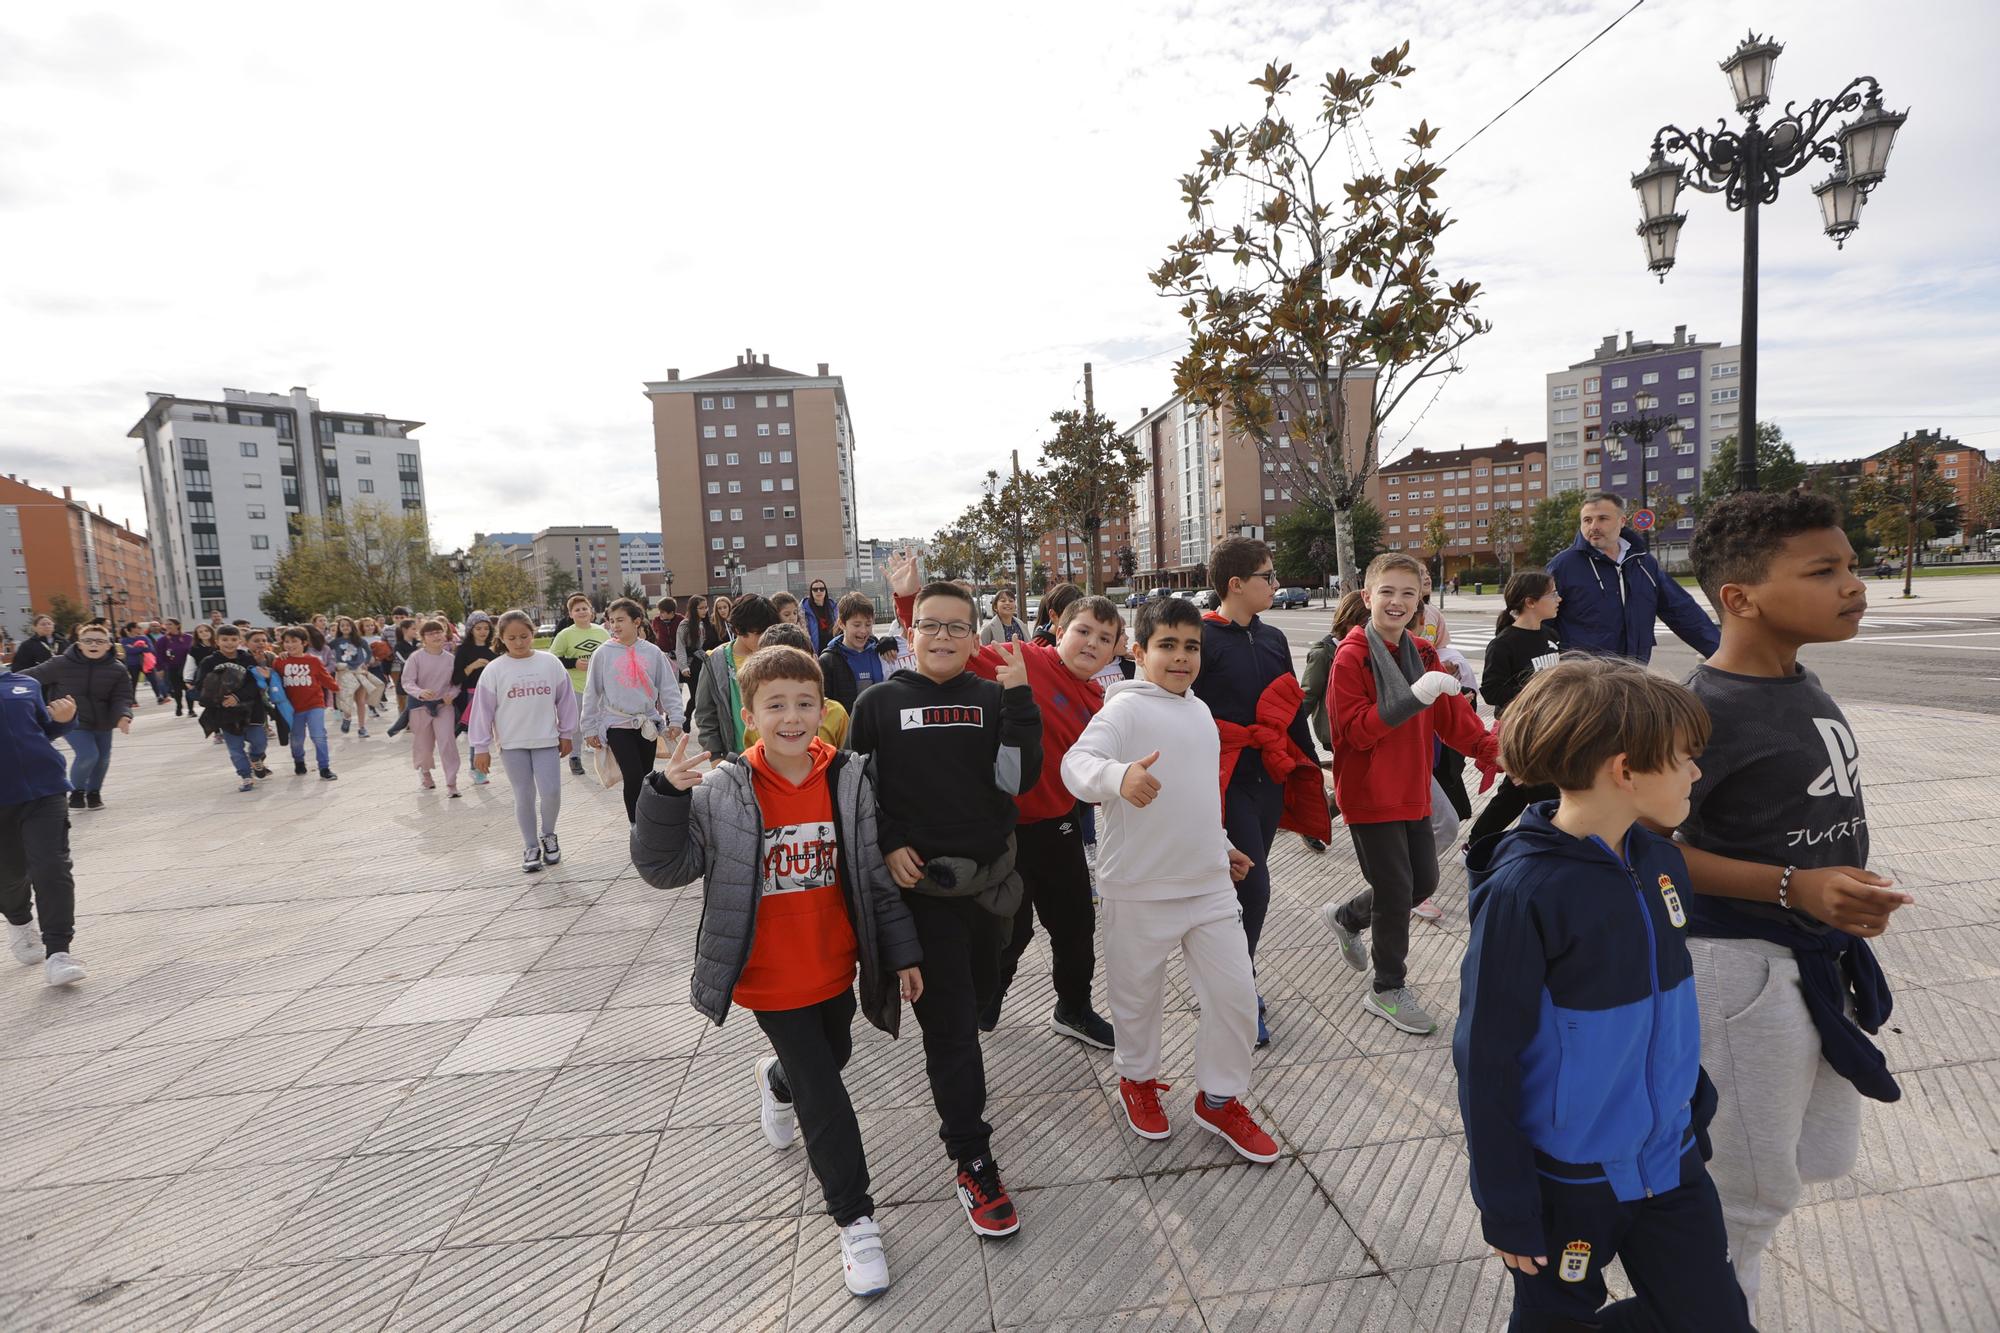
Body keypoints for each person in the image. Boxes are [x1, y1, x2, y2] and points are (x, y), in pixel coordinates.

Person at [1455, 656, 1749, 1330]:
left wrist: (1692, 1103)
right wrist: (1505, 1203)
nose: (1697, 773)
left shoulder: (1662, 862)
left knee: (1715, 1318)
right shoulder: (1525, 890)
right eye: (1684, 758)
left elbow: (1665, 1004)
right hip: (1571, 1184)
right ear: (1626, 769)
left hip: (1670, 1161)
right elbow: (1485, 1058)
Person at [1675, 490, 1912, 1303]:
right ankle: (1705, 1314)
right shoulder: (1703, 710)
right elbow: (1653, 849)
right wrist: (1794, 885)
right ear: (1739, 597)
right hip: (1741, 972)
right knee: (1741, 1188)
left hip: (1813, 960)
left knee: (1798, 1161)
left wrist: (1843, 888)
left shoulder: (1801, 682)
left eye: (1850, 565)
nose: (1855, 583)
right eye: (1824, 570)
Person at [632, 648, 923, 1298]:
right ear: (749, 714)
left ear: (823, 710)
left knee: (834, 1050)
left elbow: (875, 876)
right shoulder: (724, 790)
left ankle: (776, 1080)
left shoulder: (848, 777)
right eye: (775, 704)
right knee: (825, 1093)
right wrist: (664, 795)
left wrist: (902, 950)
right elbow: (664, 867)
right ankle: (855, 1217)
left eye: (803, 703)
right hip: (768, 975)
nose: (791, 717)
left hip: (834, 964)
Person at [849, 579, 1042, 1239]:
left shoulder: (993, 698)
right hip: (922, 896)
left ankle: (789, 1079)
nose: (943, 636)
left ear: (974, 635)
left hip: (991, 890)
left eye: (958, 626)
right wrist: (886, 839)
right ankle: (972, 1155)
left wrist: (1019, 701)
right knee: (953, 1027)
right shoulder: (877, 702)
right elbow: (853, 793)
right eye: (931, 624)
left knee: (982, 999)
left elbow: (1018, 781)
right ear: (909, 630)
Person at [1062, 596, 1280, 1162]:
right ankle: (1136, 1080)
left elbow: (1198, 798)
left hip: (1207, 885)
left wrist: (1224, 845)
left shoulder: (1201, 712)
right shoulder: (1124, 710)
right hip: (1137, 888)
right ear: (1137, 653)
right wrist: (1118, 775)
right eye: (1167, 646)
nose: (1181, 658)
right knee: (1137, 1002)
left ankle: (1220, 1097)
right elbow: (1076, 766)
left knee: (1235, 996)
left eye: (1191, 647)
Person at [888, 560, 1118, 1047]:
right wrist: (910, 602)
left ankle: (1073, 1008)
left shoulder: (1103, 703)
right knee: (1008, 932)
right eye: (1083, 630)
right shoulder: (1022, 658)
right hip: (1003, 830)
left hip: (1058, 826)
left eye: (1104, 637)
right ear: (1058, 628)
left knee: (1077, 926)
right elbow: (946, 649)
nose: (1092, 643)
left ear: (1116, 650)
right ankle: (985, 1000)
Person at [1319, 553, 1498, 1037]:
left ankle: (1346, 916)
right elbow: (1352, 733)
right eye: (1387, 592)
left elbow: (1453, 721)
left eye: (1407, 593)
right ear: (1366, 598)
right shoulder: (1352, 655)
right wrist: (1415, 695)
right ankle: (1387, 988)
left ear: (1421, 598)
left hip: (1414, 789)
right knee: (1397, 893)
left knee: (1422, 884)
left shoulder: (1424, 653)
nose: (1397, 602)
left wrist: (1493, 750)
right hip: (1370, 795)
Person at [1193, 537, 1330, 1047]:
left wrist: (1308, 766)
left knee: (1240, 889)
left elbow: (1289, 706)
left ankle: (1231, 975)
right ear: (1236, 584)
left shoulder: (1272, 638)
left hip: (1269, 776)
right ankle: (1237, 990)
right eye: (1267, 576)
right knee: (1253, 887)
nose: (1275, 584)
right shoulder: (1199, 639)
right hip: (1224, 781)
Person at [1549, 492, 1719, 663]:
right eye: (1587, 520)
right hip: (1584, 679)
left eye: (1602, 519)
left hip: (1634, 674)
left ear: (1622, 521)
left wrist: (1721, 653)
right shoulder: (1563, 566)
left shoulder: (1643, 564)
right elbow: (1538, 621)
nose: (1593, 526)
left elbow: (1682, 612)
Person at [469, 611, 578, 872]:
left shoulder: (550, 663)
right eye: (512, 638)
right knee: (524, 795)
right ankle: (530, 845)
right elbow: (482, 711)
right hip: (512, 743)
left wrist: (567, 733)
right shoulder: (494, 670)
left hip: (546, 740)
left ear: (533, 633)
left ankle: (548, 835)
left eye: (524, 636)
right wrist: (480, 747)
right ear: (502, 639)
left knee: (551, 791)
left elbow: (565, 700)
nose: (519, 642)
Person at [1463, 571, 1564, 849]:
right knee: (1545, 794)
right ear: (1530, 602)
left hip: (1549, 728)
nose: (1559, 599)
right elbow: (1492, 691)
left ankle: (1475, 844)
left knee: (1515, 794)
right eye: (1553, 594)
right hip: (1521, 733)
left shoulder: (1552, 636)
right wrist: (1532, 695)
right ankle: (1551, 847)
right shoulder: (1504, 643)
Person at [2, 665, 85, 985]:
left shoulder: (25, 684)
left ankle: (58, 952)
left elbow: (41, 729)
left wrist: (65, 720)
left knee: (52, 867)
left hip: (44, 789)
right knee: (8, 876)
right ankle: (19, 920)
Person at [583, 598, 685, 822]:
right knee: (633, 777)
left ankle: (649, 823)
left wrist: (676, 719)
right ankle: (635, 824)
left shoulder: (653, 652)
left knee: (646, 776)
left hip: (647, 723)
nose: (615, 625)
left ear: (636, 621)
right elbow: (592, 692)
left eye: (621, 620)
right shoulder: (603, 653)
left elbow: (668, 687)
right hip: (617, 723)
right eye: (611, 621)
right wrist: (589, 727)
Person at [23, 624, 133, 811]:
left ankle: (94, 793)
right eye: (88, 640)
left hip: (103, 720)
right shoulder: (60, 663)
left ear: (108, 645)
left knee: (103, 759)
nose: (94, 644)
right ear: (79, 644)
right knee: (89, 755)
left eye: (100, 641)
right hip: (71, 719)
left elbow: (121, 697)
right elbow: (28, 677)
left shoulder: (117, 669)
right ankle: (77, 791)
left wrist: (123, 715)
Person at [692, 595, 779, 762]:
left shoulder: (777, 655)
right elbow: (705, 714)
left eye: (767, 632)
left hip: (776, 755)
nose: (764, 639)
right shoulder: (716, 661)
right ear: (738, 629)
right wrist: (715, 756)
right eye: (758, 632)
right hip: (737, 756)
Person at [194, 624, 272, 791]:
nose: (229, 643)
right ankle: (245, 776)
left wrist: (238, 696)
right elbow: (201, 684)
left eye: (233, 639)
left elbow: (254, 683)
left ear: (240, 641)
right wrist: (220, 698)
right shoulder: (209, 662)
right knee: (235, 747)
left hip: (251, 710)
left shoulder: (247, 659)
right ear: (217, 641)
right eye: (225, 640)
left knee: (260, 741)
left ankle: (256, 758)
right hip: (225, 712)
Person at [753, 625, 848, 746]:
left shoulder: (836, 714)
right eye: (780, 670)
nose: (791, 718)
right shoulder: (759, 719)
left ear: (814, 661)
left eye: (800, 667)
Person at [402, 618, 462, 796]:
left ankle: (452, 783)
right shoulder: (416, 658)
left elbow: (456, 683)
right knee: (424, 745)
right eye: (431, 633)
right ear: (423, 638)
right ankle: (425, 773)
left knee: (447, 742)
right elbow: (407, 681)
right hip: (420, 707)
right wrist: (419, 692)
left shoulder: (451, 659)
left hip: (443, 706)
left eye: (439, 632)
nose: (436, 636)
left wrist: (452, 694)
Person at [550, 594, 609, 776]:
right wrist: (574, 663)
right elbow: (553, 660)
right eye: (577, 610)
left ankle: (606, 757)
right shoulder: (565, 635)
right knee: (575, 725)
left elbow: (611, 654)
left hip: (600, 688)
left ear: (591, 611)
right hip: (575, 687)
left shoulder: (601, 632)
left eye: (585, 608)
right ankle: (575, 757)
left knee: (603, 723)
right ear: (571, 614)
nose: (582, 612)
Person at [817, 593, 899, 713]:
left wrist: (891, 644)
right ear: (841, 623)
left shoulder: (880, 650)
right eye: (857, 625)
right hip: (848, 729)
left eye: (868, 624)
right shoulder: (828, 661)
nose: (863, 631)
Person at [275, 627, 338, 780]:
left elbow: (325, 678)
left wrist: (337, 688)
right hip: (292, 708)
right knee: (297, 738)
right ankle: (299, 761)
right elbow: (273, 680)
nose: (290, 645)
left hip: (314, 705)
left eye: (294, 641)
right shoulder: (280, 661)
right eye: (287, 642)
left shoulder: (313, 661)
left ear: (304, 643)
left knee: (318, 736)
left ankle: (324, 767)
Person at [452, 613, 498, 758]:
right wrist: (472, 666)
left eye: (486, 628)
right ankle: (476, 767)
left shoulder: (494, 650)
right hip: (471, 696)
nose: (483, 632)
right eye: (478, 628)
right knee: (477, 731)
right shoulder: (463, 650)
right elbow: (456, 678)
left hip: (493, 695)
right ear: (471, 630)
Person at [328, 617, 381, 737]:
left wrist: (366, 663)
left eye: (348, 625)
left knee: (361, 701)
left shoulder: (359, 640)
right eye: (342, 625)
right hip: (344, 673)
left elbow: (368, 652)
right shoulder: (336, 641)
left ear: (352, 627)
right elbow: (325, 651)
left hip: (358, 672)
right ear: (339, 628)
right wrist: (333, 664)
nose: (345, 627)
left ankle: (362, 728)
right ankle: (347, 718)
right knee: (347, 699)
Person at [678, 594, 717, 698]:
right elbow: (680, 646)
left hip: (705, 662)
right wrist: (683, 666)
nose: (704, 610)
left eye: (706, 607)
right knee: (696, 696)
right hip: (692, 664)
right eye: (701, 608)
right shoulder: (685, 625)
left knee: (707, 696)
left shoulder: (707, 624)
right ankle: (687, 714)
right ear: (693, 609)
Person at [154, 619, 194, 716]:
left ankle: (191, 710)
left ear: (177, 625)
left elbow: (194, 651)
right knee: (177, 689)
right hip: (172, 668)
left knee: (188, 688)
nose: (167, 626)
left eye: (170, 624)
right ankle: (179, 705)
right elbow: (159, 655)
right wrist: (160, 668)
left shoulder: (188, 638)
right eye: (166, 624)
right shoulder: (162, 640)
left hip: (187, 668)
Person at [651, 598, 686, 675]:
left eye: (662, 612)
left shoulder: (681, 620)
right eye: (659, 611)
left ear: (671, 612)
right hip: (663, 654)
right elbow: (654, 635)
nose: (660, 614)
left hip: (679, 654)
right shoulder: (656, 621)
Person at [803, 579, 840, 652]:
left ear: (825, 591)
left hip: (833, 648)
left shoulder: (833, 607)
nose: (819, 591)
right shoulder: (805, 609)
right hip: (815, 649)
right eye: (815, 589)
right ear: (811, 592)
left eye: (822, 589)